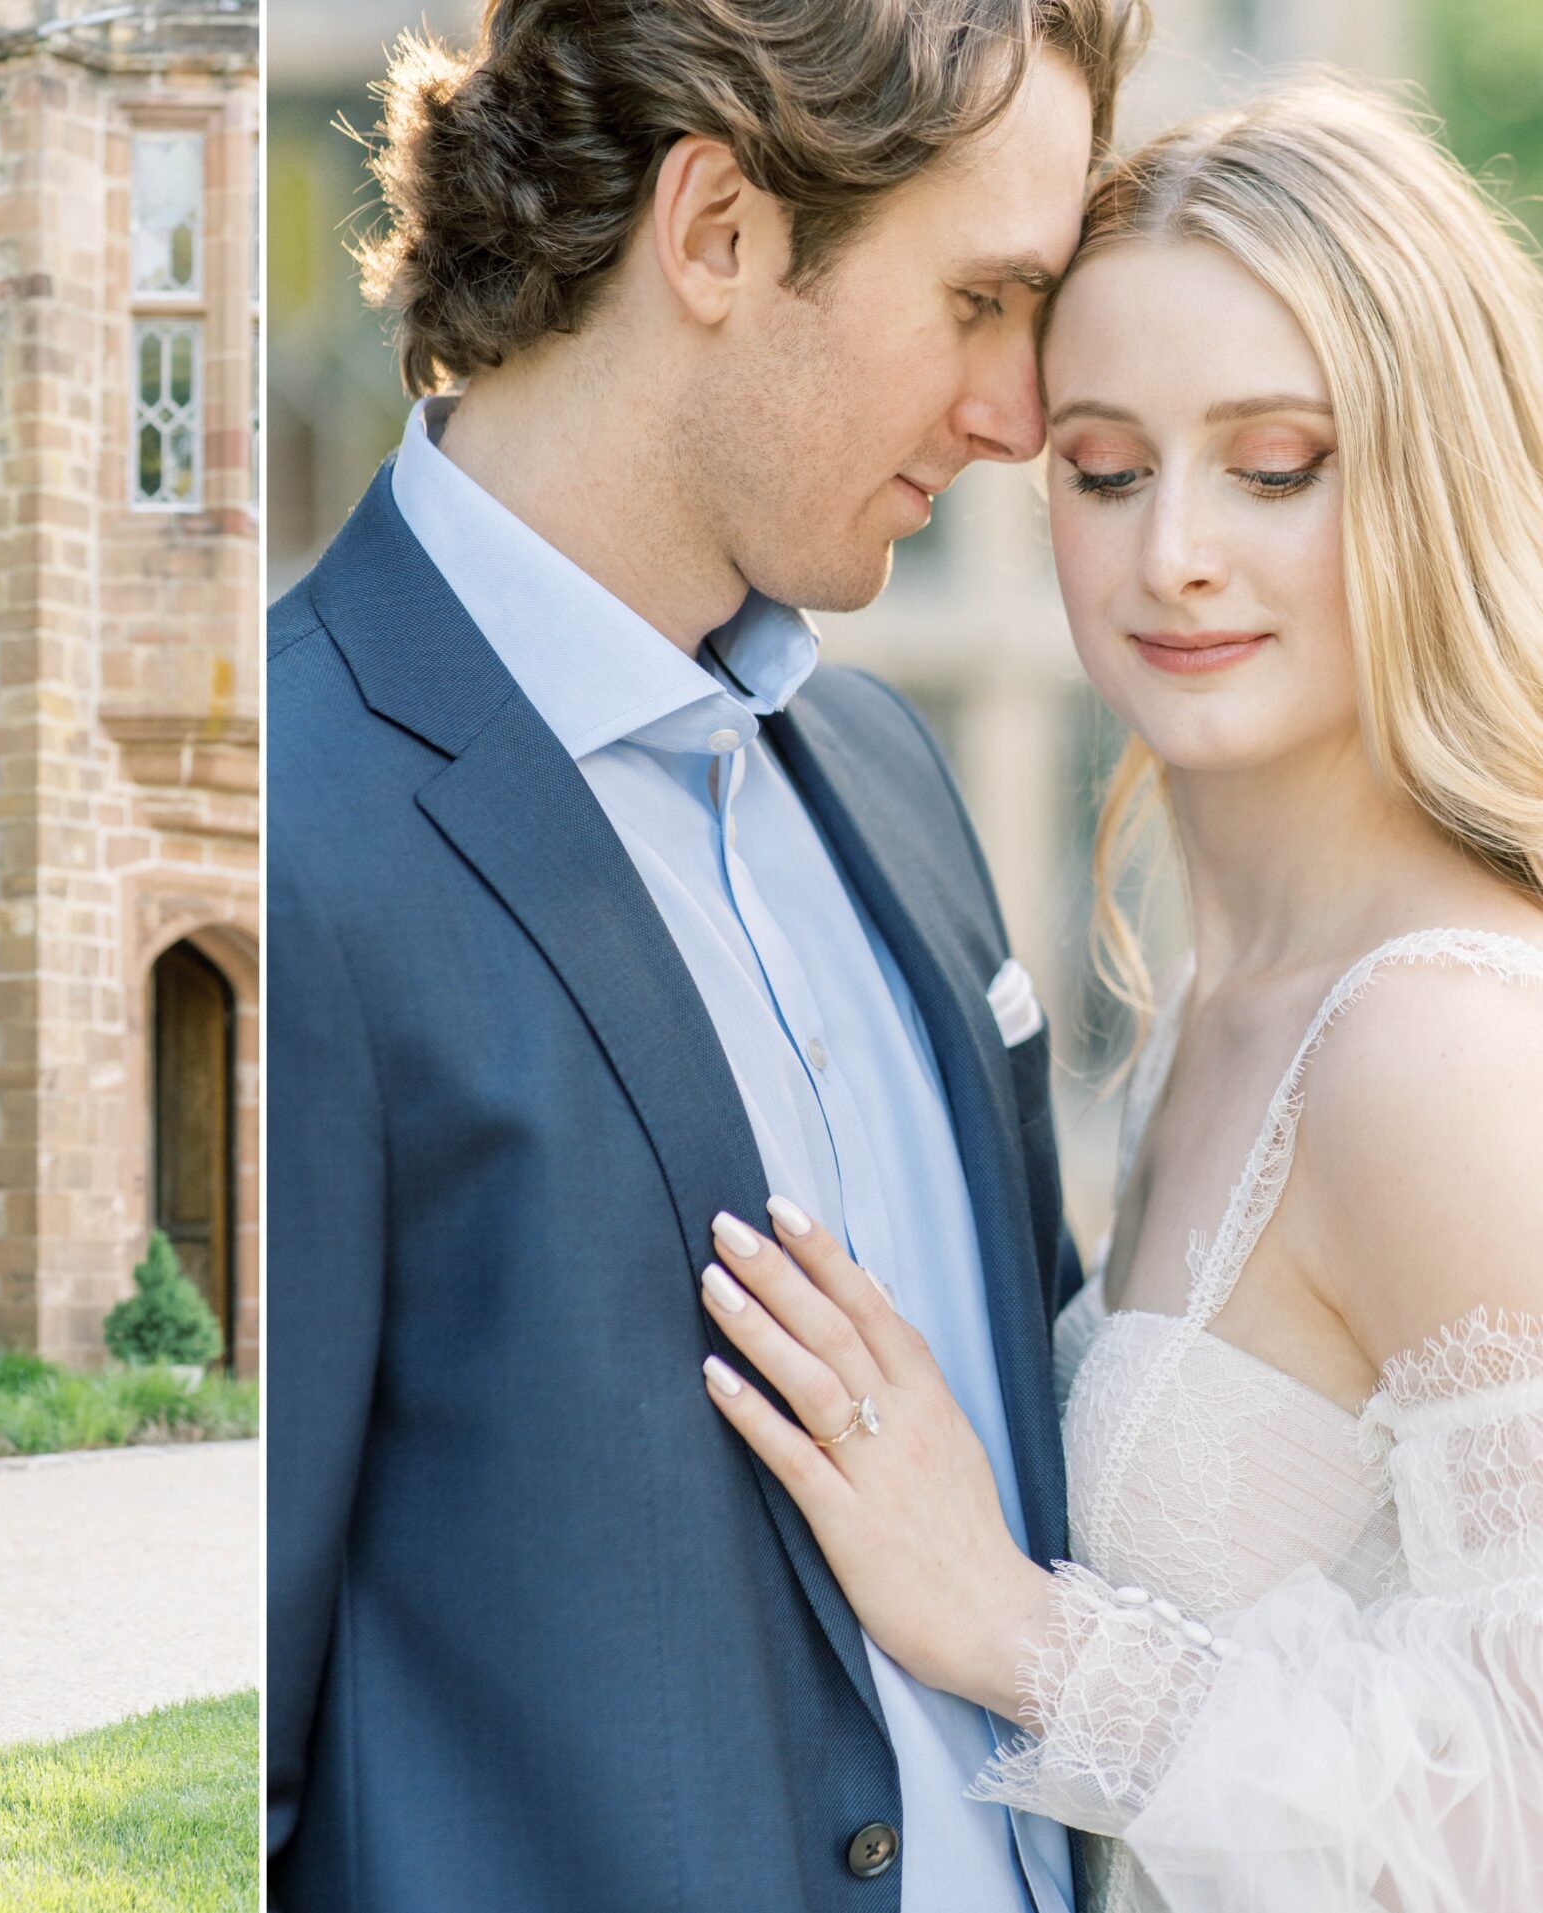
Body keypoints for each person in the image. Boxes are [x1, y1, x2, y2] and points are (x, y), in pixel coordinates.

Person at [267, 1, 1143, 1906]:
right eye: (983, 301)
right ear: (719, 229)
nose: (1019, 414)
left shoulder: (896, 779)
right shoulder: (296, 829)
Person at [702, 78, 1543, 1912]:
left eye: (1274, 465)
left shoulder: (1445, 1045)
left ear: (1430, 471)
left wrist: (1017, 1626)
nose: (1172, 550)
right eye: (1101, 466)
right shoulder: (1219, 996)